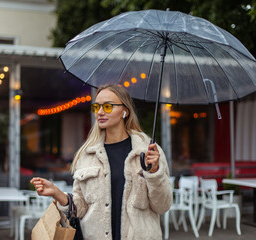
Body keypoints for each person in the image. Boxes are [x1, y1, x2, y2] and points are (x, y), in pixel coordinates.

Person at [31, 84, 172, 240]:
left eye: (108, 106)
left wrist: (154, 173)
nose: (100, 112)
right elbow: (82, 206)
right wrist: (56, 193)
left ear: (124, 111)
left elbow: (162, 206)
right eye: (97, 106)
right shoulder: (87, 154)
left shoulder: (148, 152)